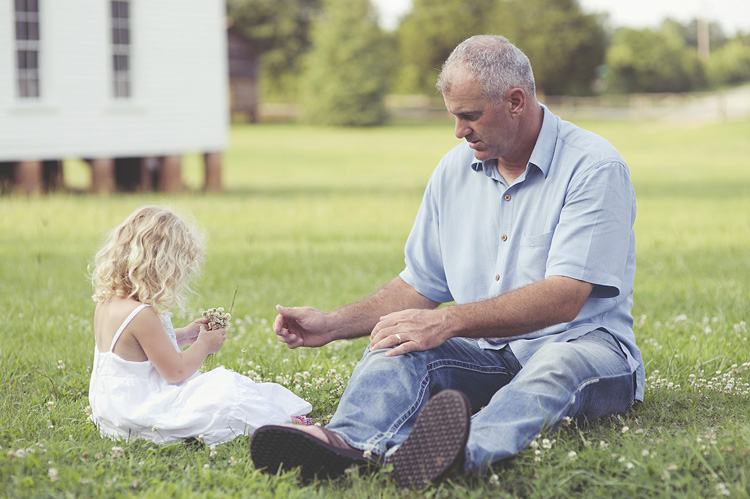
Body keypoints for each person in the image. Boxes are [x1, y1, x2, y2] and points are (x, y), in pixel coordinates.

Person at [250, 34, 644, 489]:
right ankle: (345, 443)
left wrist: (450, 321)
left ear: (515, 101)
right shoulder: (453, 171)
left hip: (584, 345)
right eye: (454, 116)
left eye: (469, 116)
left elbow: (565, 298)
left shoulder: (594, 167)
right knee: (399, 340)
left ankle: (452, 454)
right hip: (489, 353)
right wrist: (333, 324)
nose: (458, 131)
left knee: (555, 367)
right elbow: (419, 286)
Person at [88, 205, 312, 446]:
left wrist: (185, 335)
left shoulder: (108, 303)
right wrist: (204, 345)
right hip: (144, 413)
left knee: (224, 390)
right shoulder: (142, 314)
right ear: (160, 266)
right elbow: (176, 372)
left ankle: (278, 419)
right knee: (226, 390)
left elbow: (137, 348)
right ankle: (284, 424)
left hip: (114, 413)